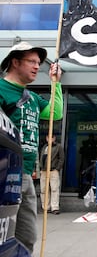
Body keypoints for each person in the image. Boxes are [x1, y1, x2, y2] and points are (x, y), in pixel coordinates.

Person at [0, 41, 63, 253]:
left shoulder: (33, 98)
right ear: (15, 62)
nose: (37, 66)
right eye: (32, 62)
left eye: (39, 63)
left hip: (26, 175)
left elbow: (56, 113)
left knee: (27, 237)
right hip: (4, 175)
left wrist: (56, 83)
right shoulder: (1, 89)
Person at [40, 134, 65, 215]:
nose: (49, 139)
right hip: (44, 170)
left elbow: (61, 158)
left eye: (51, 137)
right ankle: (45, 207)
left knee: (54, 189)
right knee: (44, 190)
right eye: (48, 137)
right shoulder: (44, 147)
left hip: (53, 170)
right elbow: (42, 158)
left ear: (54, 138)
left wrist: (57, 168)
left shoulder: (58, 147)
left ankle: (54, 207)